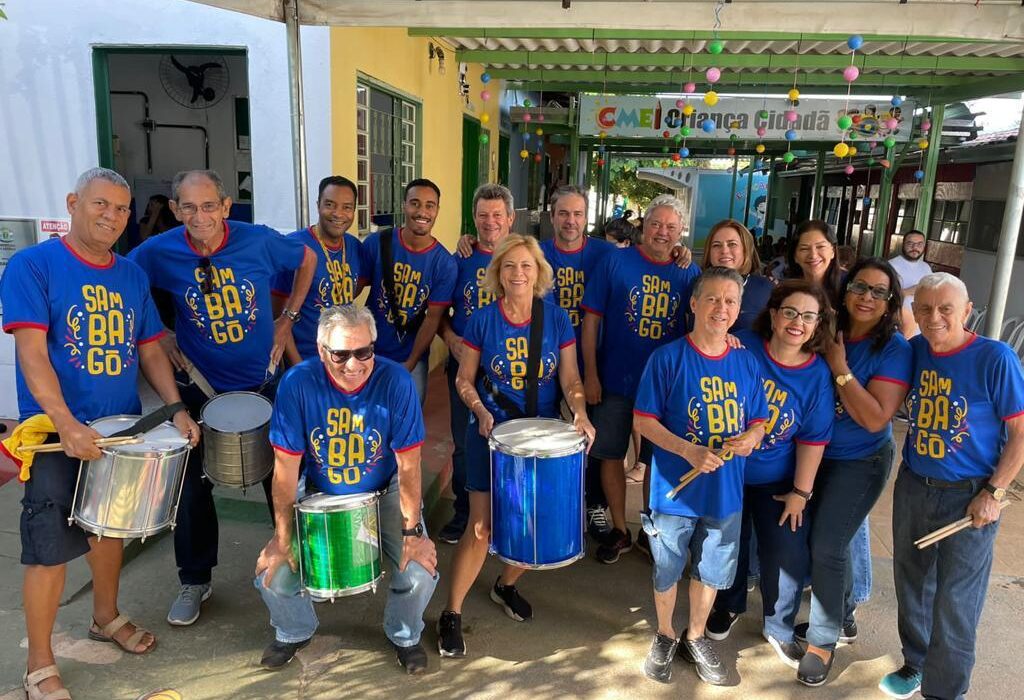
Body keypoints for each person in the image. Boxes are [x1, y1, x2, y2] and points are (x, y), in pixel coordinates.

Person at [0, 168, 200, 700]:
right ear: (73, 203)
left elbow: (150, 348)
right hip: (53, 433)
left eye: (121, 208)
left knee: (110, 533)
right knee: (47, 550)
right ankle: (39, 663)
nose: (112, 216)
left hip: (118, 433)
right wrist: (66, 423)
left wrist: (175, 409)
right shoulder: (33, 265)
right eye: (100, 204)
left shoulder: (130, 275)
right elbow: (32, 354)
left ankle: (105, 617)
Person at [129, 168, 318, 626]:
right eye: (189, 207)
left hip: (263, 383)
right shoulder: (159, 250)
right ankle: (195, 580)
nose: (200, 216)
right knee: (192, 488)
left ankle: (295, 564)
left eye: (209, 206)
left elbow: (308, 257)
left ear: (226, 206)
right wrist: (159, 332)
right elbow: (126, 280)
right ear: (174, 209)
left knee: (285, 480)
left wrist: (288, 318)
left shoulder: (258, 240)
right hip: (199, 387)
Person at [253, 305, 438, 674]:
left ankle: (404, 634)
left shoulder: (396, 382)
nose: (353, 364)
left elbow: (410, 465)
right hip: (320, 491)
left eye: (363, 352)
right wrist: (282, 537)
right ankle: (294, 630)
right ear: (322, 351)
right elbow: (285, 471)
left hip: (385, 489)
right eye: (340, 354)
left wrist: (413, 533)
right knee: (271, 577)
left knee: (419, 573)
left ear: (373, 347)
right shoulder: (297, 383)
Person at [436, 234, 595, 658]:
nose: (518, 273)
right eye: (509, 266)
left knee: (535, 523)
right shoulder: (483, 319)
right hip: (489, 434)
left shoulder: (556, 319)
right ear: (498, 273)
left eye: (526, 265)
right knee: (481, 527)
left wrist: (580, 412)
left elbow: (571, 379)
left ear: (538, 272)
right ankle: (451, 612)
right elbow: (464, 379)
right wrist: (479, 411)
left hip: (539, 438)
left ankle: (505, 584)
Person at [879, 272, 1024, 700]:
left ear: (966, 311)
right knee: (911, 583)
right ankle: (916, 663)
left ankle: (945, 692)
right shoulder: (915, 351)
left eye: (946, 308)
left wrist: (994, 492)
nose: (935, 317)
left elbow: (1020, 433)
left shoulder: (994, 357)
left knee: (956, 601)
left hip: (971, 494)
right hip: (914, 485)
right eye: (924, 308)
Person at [634, 266, 769, 686]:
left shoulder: (745, 362)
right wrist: (688, 450)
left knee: (711, 569)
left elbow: (760, 419)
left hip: (725, 492)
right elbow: (643, 421)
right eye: (712, 298)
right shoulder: (667, 358)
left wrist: (751, 437)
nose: (721, 308)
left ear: (739, 309)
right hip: (673, 493)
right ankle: (664, 633)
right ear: (694, 304)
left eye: (730, 301)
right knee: (667, 567)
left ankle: (695, 636)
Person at [705, 281, 834, 670]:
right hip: (727, 470)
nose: (797, 322)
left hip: (777, 478)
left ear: (817, 325)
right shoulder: (742, 345)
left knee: (786, 548)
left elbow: (813, 439)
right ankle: (728, 604)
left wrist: (800, 493)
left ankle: (779, 626)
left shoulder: (816, 374)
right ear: (774, 315)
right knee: (729, 542)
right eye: (790, 312)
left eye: (808, 316)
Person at [796, 258, 912, 687]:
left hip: (861, 460)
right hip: (813, 453)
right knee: (828, 540)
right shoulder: (827, 328)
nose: (867, 297)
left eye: (879, 292)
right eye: (860, 287)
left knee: (828, 545)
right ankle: (842, 616)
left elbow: (875, 418)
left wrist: (839, 366)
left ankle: (821, 642)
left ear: (890, 302)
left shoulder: (894, 349)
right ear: (845, 292)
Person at [582, 194, 700, 564]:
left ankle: (650, 531)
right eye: (655, 224)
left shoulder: (688, 272)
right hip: (615, 379)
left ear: (681, 231)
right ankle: (620, 528)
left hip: (665, 390)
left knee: (656, 461)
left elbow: (697, 332)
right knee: (610, 454)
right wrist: (590, 374)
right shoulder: (616, 262)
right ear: (642, 226)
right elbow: (591, 321)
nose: (662, 232)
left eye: (671, 226)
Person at [436, 184, 515, 545]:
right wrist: (449, 337)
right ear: (474, 218)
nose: (490, 222)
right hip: (465, 367)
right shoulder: (459, 261)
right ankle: (465, 511)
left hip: (510, 370)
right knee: (465, 441)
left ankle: (504, 512)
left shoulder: (522, 259)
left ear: (510, 219)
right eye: (483, 215)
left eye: (497, 215)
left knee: (508, 440)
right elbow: (438, 311)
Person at [538, 185, 617, 541]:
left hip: (590, 360)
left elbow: (646, 255)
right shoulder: (536, 252)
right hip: (543, 362)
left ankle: (594, 503)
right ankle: (551, 504)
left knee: (592, 437)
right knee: (547, 434)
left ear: (587, 217)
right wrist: (466, 241)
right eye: (563, 213)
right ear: (552, 216)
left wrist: (678, 251)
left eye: (578, 214)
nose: (570, 221)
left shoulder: (606, 253)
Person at [363, 179, 457, 404]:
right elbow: (351, 291)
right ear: (404, 205)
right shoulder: (378, 243)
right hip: (368, 352)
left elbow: (432, 319)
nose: (422, 212)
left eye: (429, 205)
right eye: (415, 203)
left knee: (408, 418)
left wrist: (411, 362)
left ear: (437, 210)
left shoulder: (444, 264)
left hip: (412, 356)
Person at [273, 176, 369, 363]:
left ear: (354, 211)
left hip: (343, 356)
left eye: (347, 207)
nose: (338, 214)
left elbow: (357, 284)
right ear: (318, 205)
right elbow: (278, 313)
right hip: (306, 357)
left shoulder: (355, 246)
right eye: (330, 205)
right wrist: (297, 365)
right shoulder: (293, 246)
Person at [701, 218, 773, 331]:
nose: (724, 251)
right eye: (716, 245)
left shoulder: (766, 289)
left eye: (732, 244)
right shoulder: (696, 284)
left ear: (746, 249)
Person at [887, 230, 931, 338]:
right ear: (903, 244)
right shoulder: (891, 265)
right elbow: (883, 296)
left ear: (924, 246)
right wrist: (908, 291)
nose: (915, 247)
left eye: (919, 244)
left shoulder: (926, 267)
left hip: (921, 325)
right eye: (910, 243)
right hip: (898, 325)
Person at [786, 220, 842, 303]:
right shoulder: (784, 293)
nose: (813, 255)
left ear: (833, 251)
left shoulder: (846, 290)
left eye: (820, 247)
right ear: (795, 256)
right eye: (804, 249)